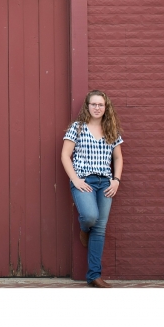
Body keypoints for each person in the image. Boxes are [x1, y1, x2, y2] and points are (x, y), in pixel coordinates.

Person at [61, 89, 123, 288]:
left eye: (101, 105)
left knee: (100, 229)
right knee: (90, 217)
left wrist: (116, 180)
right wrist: (75, 180)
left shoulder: (111, 130)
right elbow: (65, 156)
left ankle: (94, 276)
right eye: (93, 104)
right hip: (84, 180)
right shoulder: (77, 128)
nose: (97, 108)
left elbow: (118, 158)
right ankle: (83, 228)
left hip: (105, 183)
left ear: (106, 108)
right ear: (87, 106)